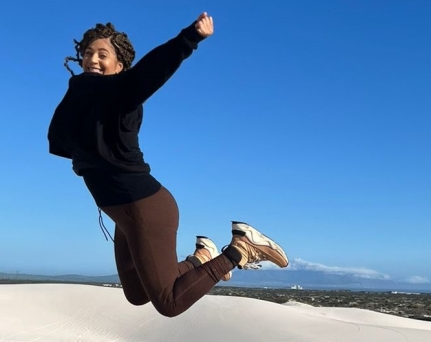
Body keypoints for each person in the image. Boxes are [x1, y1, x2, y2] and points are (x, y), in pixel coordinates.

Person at [47, 12, 288, 317]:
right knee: (136, 295)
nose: (92, 59)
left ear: (120, 65)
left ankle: (240, 249)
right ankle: (201, 259)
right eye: (88, 53)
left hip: (145, 208)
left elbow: (150, 71)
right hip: (122, 214)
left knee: (169, 303)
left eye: (102, 54)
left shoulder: (121, 95)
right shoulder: (80, 97)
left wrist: (190, 38)